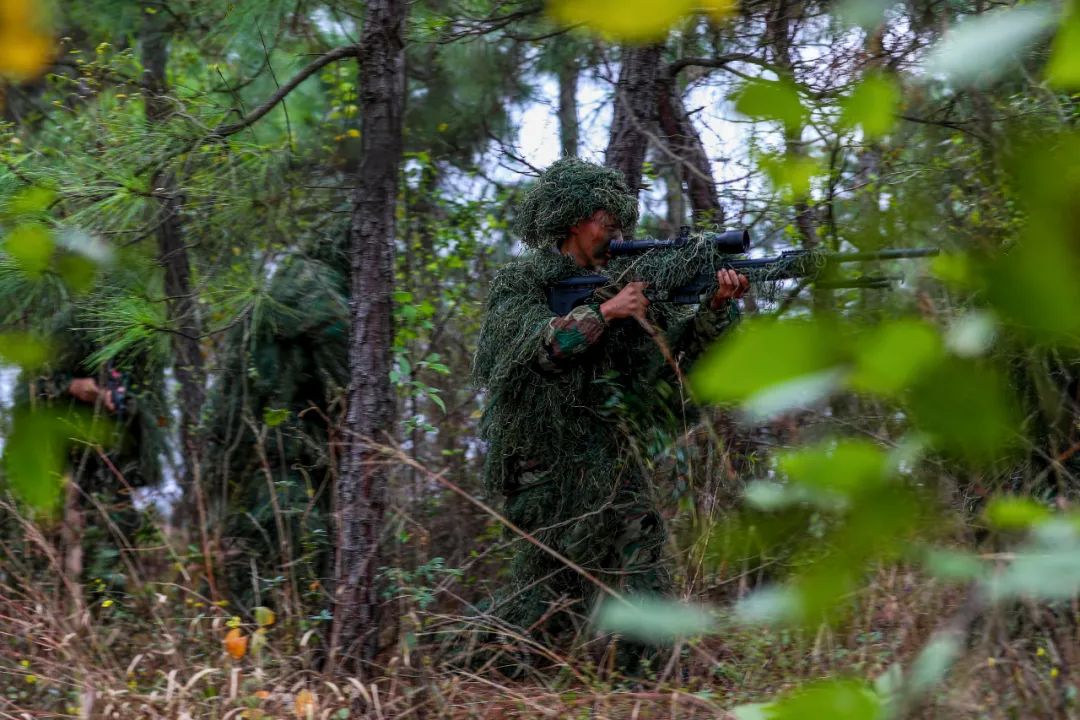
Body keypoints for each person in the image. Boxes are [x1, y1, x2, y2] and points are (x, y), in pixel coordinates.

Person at [472, 157, 748, 673]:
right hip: (542, 463)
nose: (615, 230)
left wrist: (714, 309)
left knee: (640, 548)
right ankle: (479, 665)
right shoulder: (524, 281)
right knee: (553, 593)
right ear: (573, 218)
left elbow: (676, 363)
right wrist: (606, 312)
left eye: (621, 220)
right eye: (605, 217)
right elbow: (542, 349)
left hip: (608, 454)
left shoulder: (628, 281)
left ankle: (645, 676)